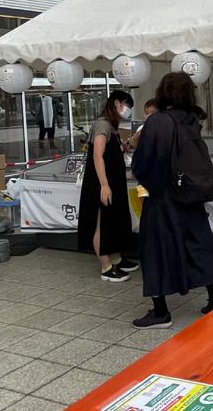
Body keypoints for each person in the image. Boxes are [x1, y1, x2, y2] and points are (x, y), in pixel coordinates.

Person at [131, 72, 213, 329]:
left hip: (164, 199)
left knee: (155, 250)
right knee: (199, 243)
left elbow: (147, 163)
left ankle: (160, 311)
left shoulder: (158, 121)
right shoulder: (192, 119)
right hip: (192, 195)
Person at [78, 90, 139, 282]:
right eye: (127, 105)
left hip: (113, 181)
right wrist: (104, 185)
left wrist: (125, 146)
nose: (127, 110)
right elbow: (97, 155)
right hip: (100, 183)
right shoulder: (103, 125)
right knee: (100, 223)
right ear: (117, 103)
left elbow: (110, 153)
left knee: (112, 221)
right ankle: (106, 267)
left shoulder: (111, 126)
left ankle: (116, 259)